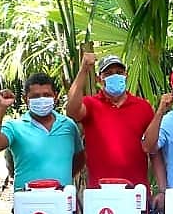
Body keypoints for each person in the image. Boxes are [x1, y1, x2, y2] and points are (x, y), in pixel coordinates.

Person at [67, 52, 156, 191]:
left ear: (126, 75)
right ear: (99, 79)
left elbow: (153, 148)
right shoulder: (91, 104)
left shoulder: (143, 107)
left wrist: (161, 190)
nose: (115, 76)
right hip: (100, 192)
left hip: (136, 191)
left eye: (119, 72)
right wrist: (84, 69)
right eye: (108, 73)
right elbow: (72, 110)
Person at [0, 73, 83, 191]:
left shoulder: (68, 125)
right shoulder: (15, 127)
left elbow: (78, 159)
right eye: (35, 96)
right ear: (26, 99)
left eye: (46, 95)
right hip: (27, 201)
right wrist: (1, 107)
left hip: (63, 200)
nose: (41, 100)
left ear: (55, 96)